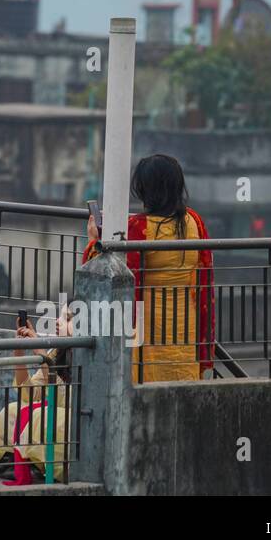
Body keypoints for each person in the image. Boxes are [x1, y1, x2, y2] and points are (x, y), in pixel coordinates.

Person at [81, 154, 216, 383]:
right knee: (181, 372)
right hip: (186, 319)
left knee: (148, 375)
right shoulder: (194, 221)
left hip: (150, 322)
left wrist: (94, 240)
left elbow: (106, 269)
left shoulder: (139, 227)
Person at [0, 311, 72, 483]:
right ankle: (16, 461)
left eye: (67, 318)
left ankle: (46, 465)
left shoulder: (90, 352)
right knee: (13, 410)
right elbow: (30, 394)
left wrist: (39, 349)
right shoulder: (57, 352)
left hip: (74, 418)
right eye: (60, 316)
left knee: (40, 415)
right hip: (58, 410)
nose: (58, 321)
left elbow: (66, 397)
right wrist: (19, 352)